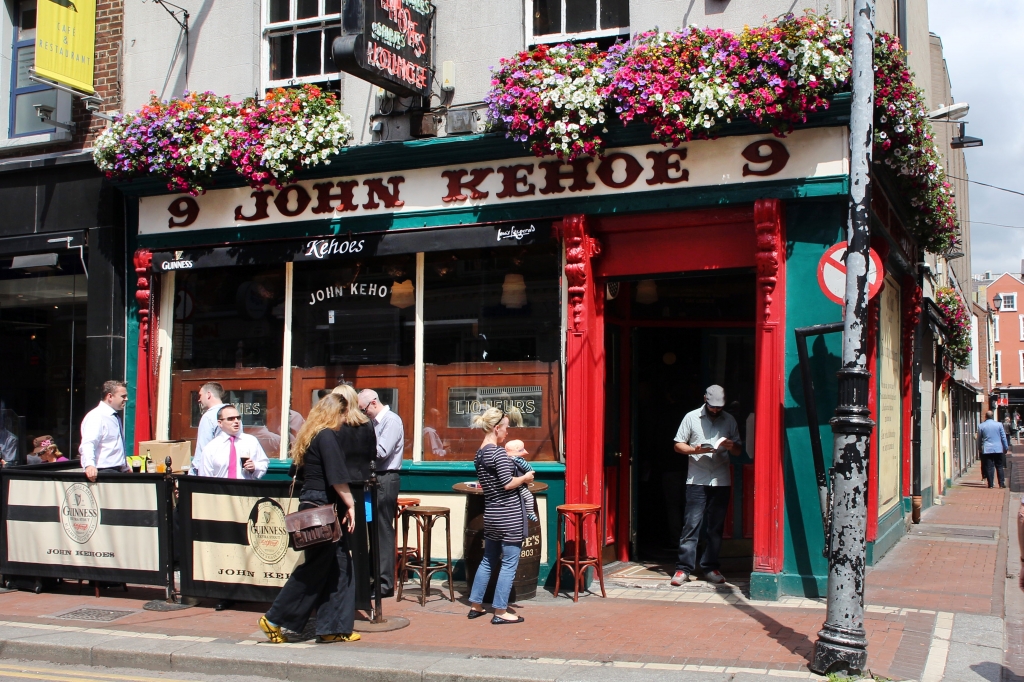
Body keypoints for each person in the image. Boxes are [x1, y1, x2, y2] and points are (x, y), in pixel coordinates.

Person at [259, 392, 370, 644]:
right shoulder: (327, 436)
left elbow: (294, 472)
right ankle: (274, 618)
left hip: (314, 505)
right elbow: (337, 477)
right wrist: (351, 504)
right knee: (316, 568)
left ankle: (332, 628)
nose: (344, 420)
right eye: (343, 414)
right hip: (322, 508)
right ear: (336, 414)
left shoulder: (309, 436)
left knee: (339, 567)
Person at [467, 408, 534, 624]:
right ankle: (500, 611)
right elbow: (507, 483)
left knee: (488, 559)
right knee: (509, 562)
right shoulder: (497, 453)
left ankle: (476, 605)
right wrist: (525, 477)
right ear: (496, 428)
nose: (507, 432)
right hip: (509, 513)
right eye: (505, 428)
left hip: (492, 513)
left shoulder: (480, 453)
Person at [670, 385, 741, 586]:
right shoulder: (691, 417)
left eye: (719, 407)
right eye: (712, 406)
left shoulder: (730, 420)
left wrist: (730, 446)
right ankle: (683, 569)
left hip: (721, 479)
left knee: (715, 527)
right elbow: (677, 444)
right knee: (691, 525)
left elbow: (737, 451)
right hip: (697, 480)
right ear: (705, 400)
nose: (716, 410)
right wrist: (694, 450)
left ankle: (710, 567)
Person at [357, 389, 404, 598]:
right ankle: (374, 578)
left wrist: (357, 445)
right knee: (373, 528)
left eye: (363, 409)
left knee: (382, 530)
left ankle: (385, 584)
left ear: (373, 403)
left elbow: (382, 451)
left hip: (386, 478)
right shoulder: (374, 423)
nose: (363, 413)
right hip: (374, 478)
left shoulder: (391, 421)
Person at [195, 405, 269, 479]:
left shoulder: (251, 441)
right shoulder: (211, 447)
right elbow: (205, 476)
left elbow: (263, 464)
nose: (236, 421)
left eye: (238, 418)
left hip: (244, 488)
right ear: (220, 423)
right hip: (220, 489)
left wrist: (254, 467)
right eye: (231, 419)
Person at [79, 380, 129, 482]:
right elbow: (88, 443)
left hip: (116, 471)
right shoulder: (97, 416)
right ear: (110, 396)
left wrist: (125, 467)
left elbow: (115, 446)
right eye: (123, 396)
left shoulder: (114, 417)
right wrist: (89, 465)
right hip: (104, 472)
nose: (126, 399)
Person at [190, 382, 230, 475]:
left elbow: (203, 449)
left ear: (208, 395)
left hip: (210, 471)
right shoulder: (234, 415)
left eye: (200, 395)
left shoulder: (208, 416)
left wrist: (194, 472)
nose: (199, 400)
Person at [503, 440, 538, 522]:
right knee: (529, 497)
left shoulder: (505, 459)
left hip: (513, 485)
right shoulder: (519, 460)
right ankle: (529, 512)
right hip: (519, 485)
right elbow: (529, 469)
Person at [978, 410, 1009, 489]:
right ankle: (1001, 484)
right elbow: (1003, 437)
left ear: (986, 416)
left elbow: (979, 439)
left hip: (987, 449)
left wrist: (979, 448)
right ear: (992, 416)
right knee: (999, 466)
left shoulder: (981, 426)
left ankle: (991, 484)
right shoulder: (999, 425)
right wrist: (1005, 447)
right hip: (998, 448)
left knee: (989, 467)